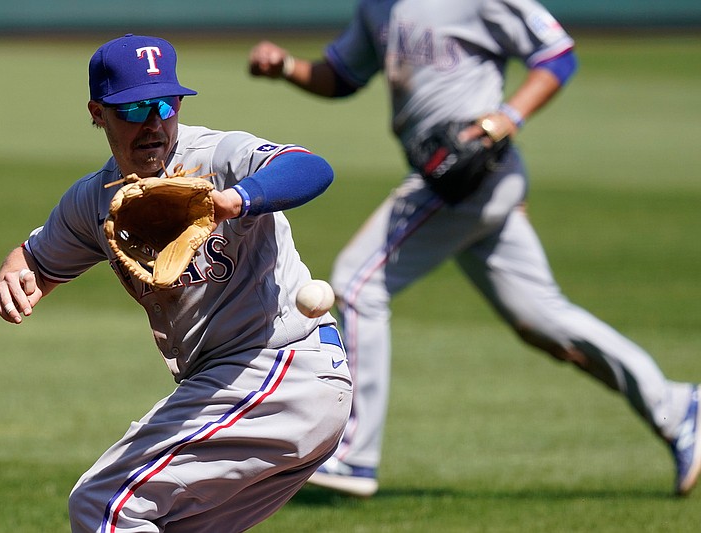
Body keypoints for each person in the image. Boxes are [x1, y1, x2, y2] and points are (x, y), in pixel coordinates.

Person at [248, 0, 700, 498]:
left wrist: (505, 119)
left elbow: (557, 55)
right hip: (444, 174)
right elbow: (342, 74)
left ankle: (354, 455)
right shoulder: (378, 5)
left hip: (471, 174)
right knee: (542, 318)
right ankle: (679, 408)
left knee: (357, 284)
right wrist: (287, 67)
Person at [0, 34, 352, 532]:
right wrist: (17, 271)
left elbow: (311, 167)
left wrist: (238, 199)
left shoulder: (220, 156)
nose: (153, 123)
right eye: (134, 109)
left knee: (106, 505)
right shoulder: (92, 202)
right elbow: (36, 261)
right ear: (98, 113)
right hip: (245, 388)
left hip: (281, 369)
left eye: (166, 103)